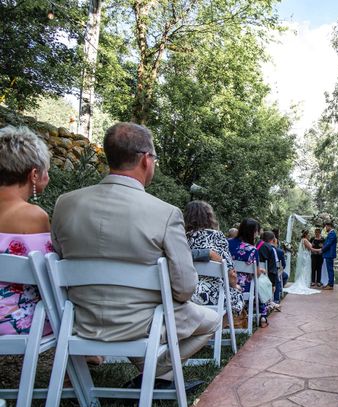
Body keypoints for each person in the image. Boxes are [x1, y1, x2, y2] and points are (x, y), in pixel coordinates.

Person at [51, 122, 219, 389]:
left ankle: (154, 374)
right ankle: (158, 372)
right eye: (154, 158)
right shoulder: (165, 213)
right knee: (213, 320)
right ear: (145, 159)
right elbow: (186, 288)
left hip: (79, 319)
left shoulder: (65, 203)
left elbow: (60, 259)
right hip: (142, 324)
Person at [0, 126, 54, 336]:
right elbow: (50, 275)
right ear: (33, 174)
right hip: (12, 319)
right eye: (46, 170)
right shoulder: (33, 216)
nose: (47, 176)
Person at [184, 200, 244, 315]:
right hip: (212, 294)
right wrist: (234, 285)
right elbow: (231, 272)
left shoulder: (181, 237)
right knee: (237, 295)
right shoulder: (217, 236)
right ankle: (215, 331)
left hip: (185, 291)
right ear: (209, 217)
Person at [228, 218, 269, 324]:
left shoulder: (226, 243)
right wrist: (260, 271)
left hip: (225, 281)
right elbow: (256, 274)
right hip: (242, 286)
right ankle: (263, 313)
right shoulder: (252, 249)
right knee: (261, 283)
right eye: (257, 231)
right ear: (253, 232)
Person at [284, 230, 321, 295]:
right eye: (308, 234)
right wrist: (320, 249)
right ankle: (304, 283)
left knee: (305, 269)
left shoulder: (303, 240)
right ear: (306, 234)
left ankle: (305, 282)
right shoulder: (305, 240)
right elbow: (311, 249)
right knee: (305, 269)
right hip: (306, 257)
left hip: (306, 255)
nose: (309, 235)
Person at [321, 222, 337, 290]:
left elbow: (328, 244)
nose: (325, 228)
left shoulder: (332, 234)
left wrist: (322, 249)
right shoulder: (331, 233)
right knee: (329, 269)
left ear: (329, 226)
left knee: (330, 269)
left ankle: (330, 285)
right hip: (328, 254)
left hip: (329, 254)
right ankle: (329, 283)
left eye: (326, 227)